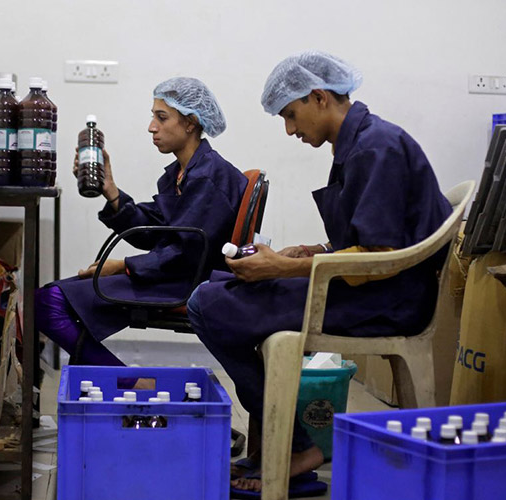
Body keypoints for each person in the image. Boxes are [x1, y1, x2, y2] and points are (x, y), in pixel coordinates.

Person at [186, 51, 452, 495]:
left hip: (388, 300)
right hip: (370, 286)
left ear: (319, 97)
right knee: (221, 289)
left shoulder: (375, 147)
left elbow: (378, 256)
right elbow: (365, 240)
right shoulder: (359, 144)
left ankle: (295, 447)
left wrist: (284, 267)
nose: (290, 129)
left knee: (208, 305)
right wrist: (312, 251)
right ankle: (289, 444)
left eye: (291, 115)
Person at [36, 77, 248, 368]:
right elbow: (155, 230)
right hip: (167, 275)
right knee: (49, 298)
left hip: (180, 283)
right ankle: (118, 382)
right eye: (153, 117)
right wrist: (110, 191)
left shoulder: (208, 178)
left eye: (162, 117)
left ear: (191, 123)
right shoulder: (184, 173)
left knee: (49, 304)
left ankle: (129, 382)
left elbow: (186, 253)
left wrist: (123, 265)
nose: (152, 127)